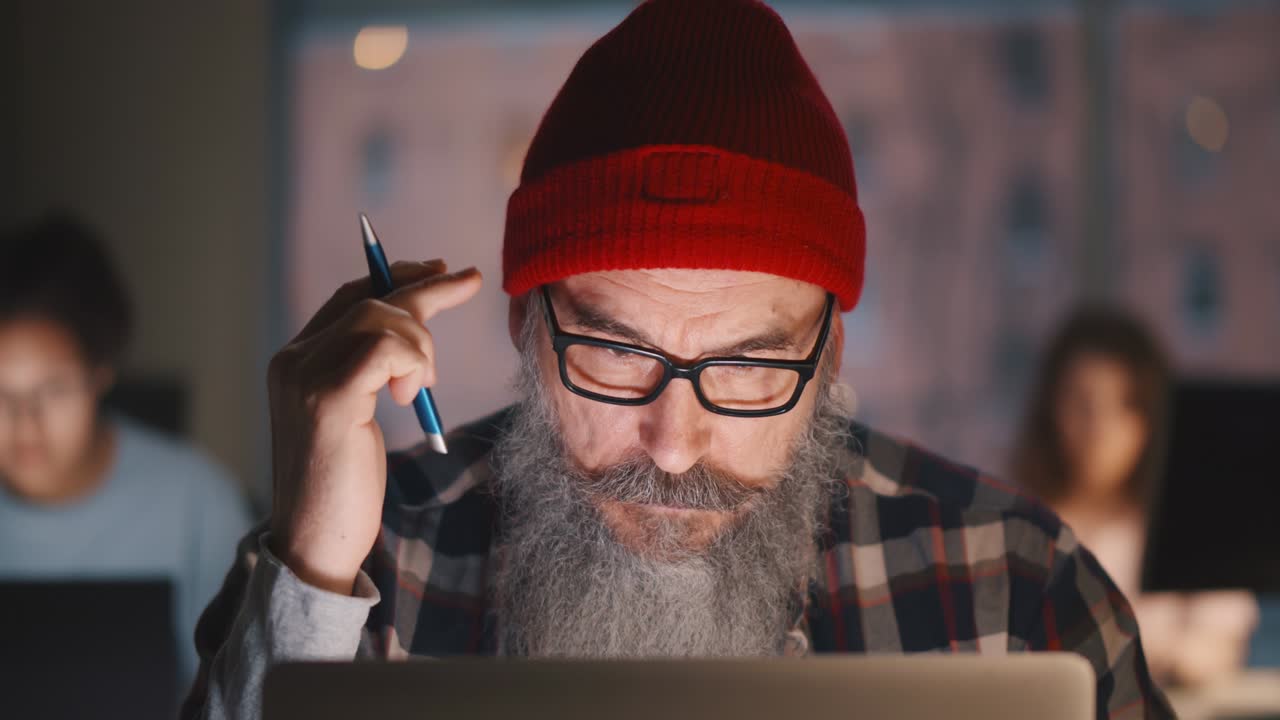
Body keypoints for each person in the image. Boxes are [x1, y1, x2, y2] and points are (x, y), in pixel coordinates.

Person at [185, 2, 1172, 718]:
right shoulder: (373, 561)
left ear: (825, 360)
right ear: (525, 327)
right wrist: (312, 567)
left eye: (748, 368)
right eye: (617, 353)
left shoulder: (1012, 579)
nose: (670, 447)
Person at [0, 213, 254, 685]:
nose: (25, 423)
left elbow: (237, 689)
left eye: (53, 389)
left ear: (99, 374)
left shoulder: (196, 501)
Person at [1012, 305, 1258, 687]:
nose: (1099, 427)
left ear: (1153, 417)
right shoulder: (1014, 528)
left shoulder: (1190, 526)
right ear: (1050, 409)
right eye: (1081, 402)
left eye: (1124, 404)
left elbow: (1219, 643)